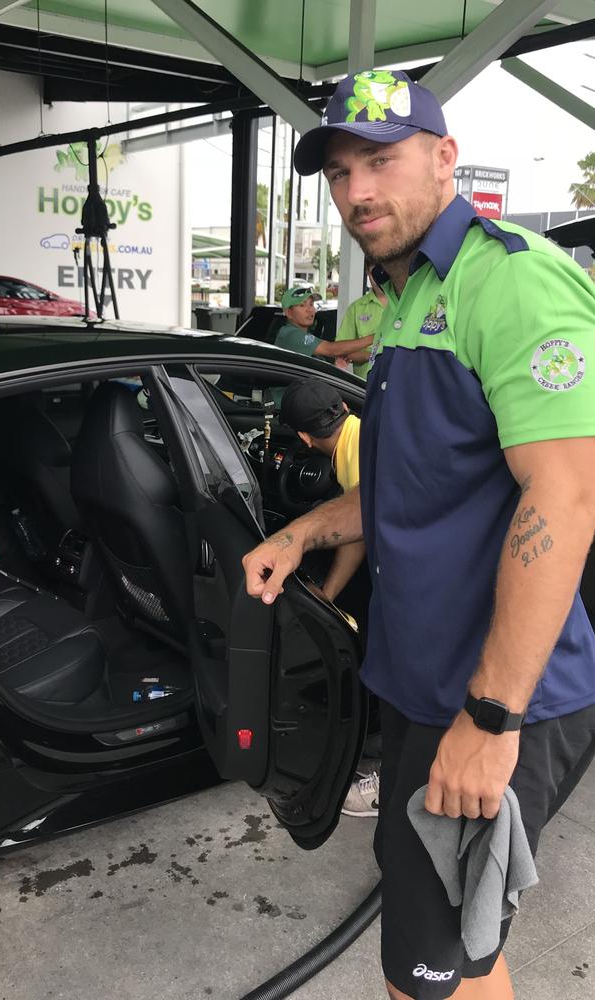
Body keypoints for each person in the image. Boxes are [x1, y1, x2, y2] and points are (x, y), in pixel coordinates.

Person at [242, 67, 595, 1000]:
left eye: (382, 160)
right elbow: (413, 481)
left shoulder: (509, 281)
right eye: (340, 171)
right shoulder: (404, 299)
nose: (358, 191)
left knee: (424, 975)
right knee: (456, 952)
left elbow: (564, 498)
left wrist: (489, 721)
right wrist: (306, 533)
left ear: (445, 159)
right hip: (422, 686)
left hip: (495, 700)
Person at [280, 377, 380, 818]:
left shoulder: (357, 457)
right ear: (343, 405)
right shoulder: (363, 428)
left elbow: (357, 533)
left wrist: (325, 596)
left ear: (304, 437)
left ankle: (384, 761)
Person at [274, 285, 374, 363]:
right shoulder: (290, 334)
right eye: (302, 305)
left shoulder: (305, 335)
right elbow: (331, 349)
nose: (310, 310)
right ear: (288, 312)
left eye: (311, 304)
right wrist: (374, 338)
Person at [335, 256, 388, 378]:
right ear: (368, 272)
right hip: (365, 387)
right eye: (376, 270)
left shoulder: (407, 303)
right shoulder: (357, 308)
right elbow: (341, 350)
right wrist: (370, 355)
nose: (382, 276)